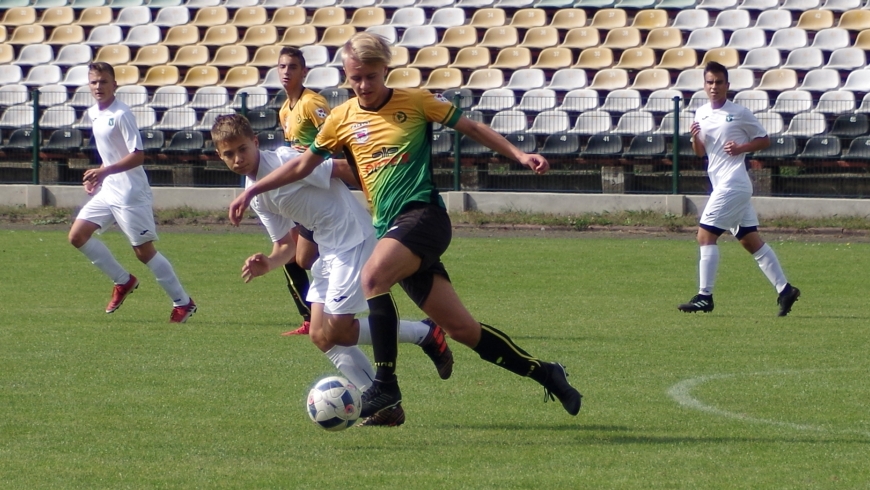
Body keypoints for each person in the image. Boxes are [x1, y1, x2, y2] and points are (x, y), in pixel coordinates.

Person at [228, 33, 582, 420]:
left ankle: (385, 386)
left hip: (423, 216)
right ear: (347, 75)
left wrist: (519, 153)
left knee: (373, 276)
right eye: (356, 78)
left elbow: (472, 129)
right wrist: (252, 192)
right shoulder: (341, 118)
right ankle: (546, 373)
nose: (363, 85)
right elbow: (300, 166)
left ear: (386, 71)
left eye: (371, 77)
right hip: (391, 229)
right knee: (463, 330)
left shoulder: (415, 102)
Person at [212, 114, 453, 426]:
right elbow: (285, 246)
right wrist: (268, 263)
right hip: (329, 250)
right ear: (219, 156)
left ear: (256, 142)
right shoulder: (255, 195)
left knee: (339, 330)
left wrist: (390, 200)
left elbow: (342, 169)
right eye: (228, 154)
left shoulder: (285, 160)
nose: (237, 158)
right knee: (320, 336)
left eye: (242, 149)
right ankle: (386, 407)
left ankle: (425, 334)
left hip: (353, 238)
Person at [68, 62, 196, 323]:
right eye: (94, 82)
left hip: (130, 192)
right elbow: (113, 155)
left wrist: (105, 172)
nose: (98, 86)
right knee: (77, 236)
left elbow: (138, 156)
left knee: (143, 252)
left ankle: (183, 302)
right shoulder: (94, 112)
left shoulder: (122, 114)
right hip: (110, 189)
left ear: (115, 84)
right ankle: (123, 281)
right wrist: (98, 175)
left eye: (104, 81)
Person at [678, 62, 801, 316]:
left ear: (727, 86)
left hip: (734, 184)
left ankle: (705, 296)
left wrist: (741, 148)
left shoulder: (739, 112)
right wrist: (694, 138)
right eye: (710, 82)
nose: (714, 87)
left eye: (719, 82)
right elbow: (701, 152)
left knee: (704, 236)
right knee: (750, 241)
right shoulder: (700, 113)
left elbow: (764, 139)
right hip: (721, 183)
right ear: (704, 85)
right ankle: (785, 290)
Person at [275, 47, 333, 336]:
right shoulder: (285, 109)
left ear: (304, 72)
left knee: (300, 257)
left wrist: (311, 153)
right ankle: (311, 316)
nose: (287, 72)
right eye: (283, 66)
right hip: (300, 191)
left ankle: (325, 311)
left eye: (293, 67)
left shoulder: (313, 103)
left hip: (320, 191)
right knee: (294, 256)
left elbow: (337, 138)